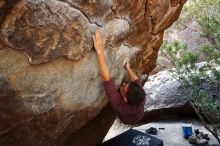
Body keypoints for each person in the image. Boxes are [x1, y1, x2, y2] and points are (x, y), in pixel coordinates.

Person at [93, 28, 146, 124]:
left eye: (124, 87)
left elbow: (107, 79)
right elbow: (136, 80)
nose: (124, 84)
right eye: (126, 84)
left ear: (125, 99)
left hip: (126, 119)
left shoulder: (118, 105)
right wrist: (128, 68)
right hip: (140, 113)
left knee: (127, 119)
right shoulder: (141, 95)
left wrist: (100, 51)